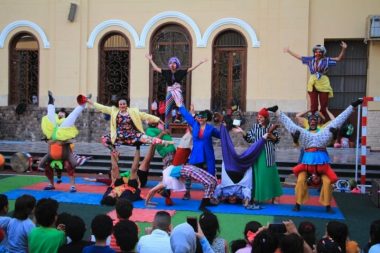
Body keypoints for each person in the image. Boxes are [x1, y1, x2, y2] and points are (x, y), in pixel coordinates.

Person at [275, 98, 363, 212]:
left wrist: (334, 136)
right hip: (307, 159)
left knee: (327, 182)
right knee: (301, 180)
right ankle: (298, 203)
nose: (312, 121)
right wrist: (295, 138)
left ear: (317, 121)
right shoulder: (305, 132)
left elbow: (331, 138)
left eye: (314, 119)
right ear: (309, 121)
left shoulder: (322, 130)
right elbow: (297, 144)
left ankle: (327, 205)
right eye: (310, 119)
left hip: (321, 160)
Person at [87, 97, 172, 183]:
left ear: (126, 104)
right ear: (118, 105)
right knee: (104, 139)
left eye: (124, 104)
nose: (122, 105)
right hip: (119, 135)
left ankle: (163, 142)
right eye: (121, 104)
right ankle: (114, 150)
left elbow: (144, 115)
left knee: (146, 138)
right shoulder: (113, 110)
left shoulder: (133, 111)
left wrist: (157, 119)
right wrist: (90, 102)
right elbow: (102, 108)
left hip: (132, 134)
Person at [284, 41, 347, 121]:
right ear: (314, 53)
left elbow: (338, 59)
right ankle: (313, 121)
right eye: (316, 52)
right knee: (313, 107)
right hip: (313, 81)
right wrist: (289, 51)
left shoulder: (326, 60)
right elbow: (300, 57)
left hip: (323, 82)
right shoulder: (310, 60)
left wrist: (343, 49)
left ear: (322, 53)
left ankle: (322, 121)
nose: (317, 53)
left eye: (319, 52)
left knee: (323, 106)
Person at [233, 106, 283, 206]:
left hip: (267, 153)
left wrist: (270, 136)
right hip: (256, 153)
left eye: (261, 117)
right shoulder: (255, 127)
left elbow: (277, 140)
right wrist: (242, 131)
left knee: (269, 175)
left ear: (266, 118)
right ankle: (257, 197)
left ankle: (274, 197)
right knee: (258, 176)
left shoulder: (271, 126)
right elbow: (250, 139)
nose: (259, 118)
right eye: (258, 117)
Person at [39, 91, 86, 193]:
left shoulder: (66, 125)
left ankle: (72, 186)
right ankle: (51, 184)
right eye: (60, 112)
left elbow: (71, 140)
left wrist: (62, 142)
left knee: (71, 166)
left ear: (65, 115)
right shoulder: (52, 124)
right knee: (46, 167)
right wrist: (50, 140)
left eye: (63, 113)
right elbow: (47, 139)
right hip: (52, 154)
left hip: (64, 153)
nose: (61, 113)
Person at [146, 54, 208, 129]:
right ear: (169, 65)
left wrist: (201, 62)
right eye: (171, 63)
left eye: (174, 63)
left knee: (182, 108)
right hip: (170, 92)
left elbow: (192, 68)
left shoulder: (180, 72)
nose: (172, 65)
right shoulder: (166, 72)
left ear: (177, 65)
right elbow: (156, 68)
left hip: (177, 92)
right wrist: (150, 59)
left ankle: (190, 123)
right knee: (167, 111)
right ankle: (166, 128)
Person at [144, 163, 218, 212]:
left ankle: (204, 205)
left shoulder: (165, 182)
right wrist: (149, 201)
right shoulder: (165, 181)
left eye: (159, 192)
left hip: (188, 170)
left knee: (209, 183)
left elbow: (151, 191)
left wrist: (147, 203)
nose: (158, 191)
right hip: (188, 168)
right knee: (212, 181)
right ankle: (206, 202)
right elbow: (153, 191)